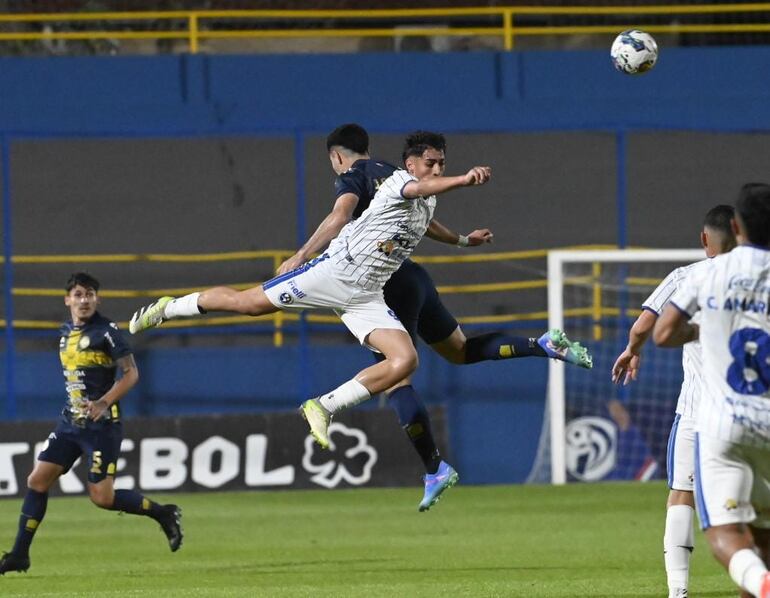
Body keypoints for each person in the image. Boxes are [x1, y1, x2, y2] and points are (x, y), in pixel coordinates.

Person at [277, 123, 593, 511]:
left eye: (441, 164)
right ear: (410, 163)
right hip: (414, 279)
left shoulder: (356, 176)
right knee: (460, 350)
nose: (438, 170)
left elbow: (340, 215)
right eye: (433, 163)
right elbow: (424, 219)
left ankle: (433, 468)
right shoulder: (391, 177)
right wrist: (462, 239)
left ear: (335, 157)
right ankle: (540, 344)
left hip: (388, 286)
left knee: (397, 377)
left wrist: (301, 255)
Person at [0, 273, 182, 576]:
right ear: (67, 299)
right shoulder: (65, 332)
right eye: (79, 294)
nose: (84, 300)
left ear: (97, 299)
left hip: (102, 426)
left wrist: (104, 402)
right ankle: (20, 554)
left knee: (102, 498)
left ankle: (163, 513)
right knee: (37, 481)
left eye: (90, 295)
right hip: (70, 423)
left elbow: (131, 373)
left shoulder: (106, 332)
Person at [611, 204, 737, 598]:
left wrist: (633, 349)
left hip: (698, 412)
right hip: (750, 412)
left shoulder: (686, 277)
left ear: (704, 239)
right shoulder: (760, 279)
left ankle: (678, 591)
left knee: (682, 493)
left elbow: (645, 322)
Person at [653, 184, 770, 598]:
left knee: (724, 531)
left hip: (722, 421)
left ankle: (750, 583)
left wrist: (704, 328)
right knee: (763, 533)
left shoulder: (706, 273)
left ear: (737, 227)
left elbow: (661, 332)